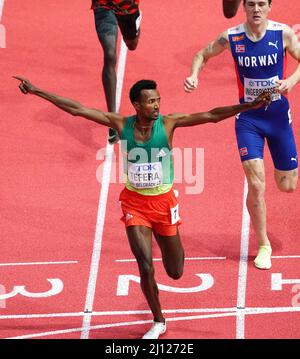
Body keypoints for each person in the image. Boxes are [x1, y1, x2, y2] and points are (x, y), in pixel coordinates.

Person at [14, 76, 270, 338]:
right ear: (137, 105)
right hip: (135, 204)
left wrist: (248, 106)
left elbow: (212, 115)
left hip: (164, 203)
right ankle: (158, 320)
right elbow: (77, 109)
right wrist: (37, 91)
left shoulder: (169, 123)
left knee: (175, 271)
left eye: (158, 100)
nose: (157, 105)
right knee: (145, 265)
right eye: (150, 101)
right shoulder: (121, 124)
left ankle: (166, 244)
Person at [184, 0, 300, 270]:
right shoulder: (231, 36)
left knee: (287, 185)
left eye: (261, 4)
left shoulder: (282, 34)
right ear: (244, 8)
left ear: (269, 7)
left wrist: (291, 82)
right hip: (248, 119)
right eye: (251, 4)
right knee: (256, 183)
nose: (256, 9)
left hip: (278, 118)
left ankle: (280, 167)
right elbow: (202, 54)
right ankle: (263, 244)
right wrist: (193, 75)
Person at [91, 0, 142, 144]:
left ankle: (137, 25)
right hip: (104, 4)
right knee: (110, 54)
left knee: (132, 45)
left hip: (127, 5)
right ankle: (112, 119)